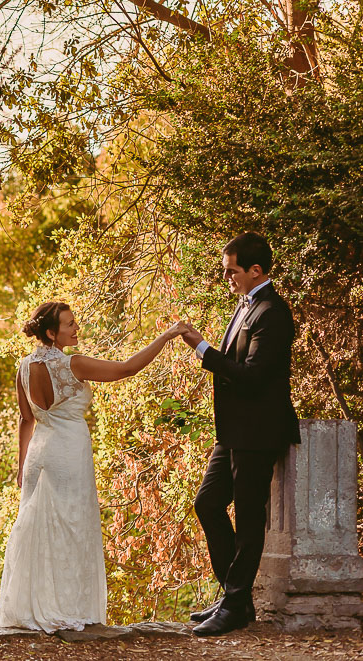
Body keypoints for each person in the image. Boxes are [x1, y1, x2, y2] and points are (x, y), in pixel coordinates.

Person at [0, 301, 188, 632]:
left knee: (37, 529)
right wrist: (167, 335)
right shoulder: (74, 364)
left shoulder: (24, 367)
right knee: (71, 528)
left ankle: (31, 607)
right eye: (69, 325)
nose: (76, 328)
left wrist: (21, 462)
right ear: (52, 333)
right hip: (68, 454)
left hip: (39, 456)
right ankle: (67, 609)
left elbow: (26, 420)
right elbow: (127, 369)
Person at [180, 232, 300, 637]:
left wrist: (202, 349)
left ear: (256, 271)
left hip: (259, 432)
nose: (226, 277)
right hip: (231, 433)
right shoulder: (245, 305)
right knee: (207, 503)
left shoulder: (273, 313)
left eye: (232, 271)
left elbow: (251, 377)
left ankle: (234, 604)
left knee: (249, 519)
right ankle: (237, 596)